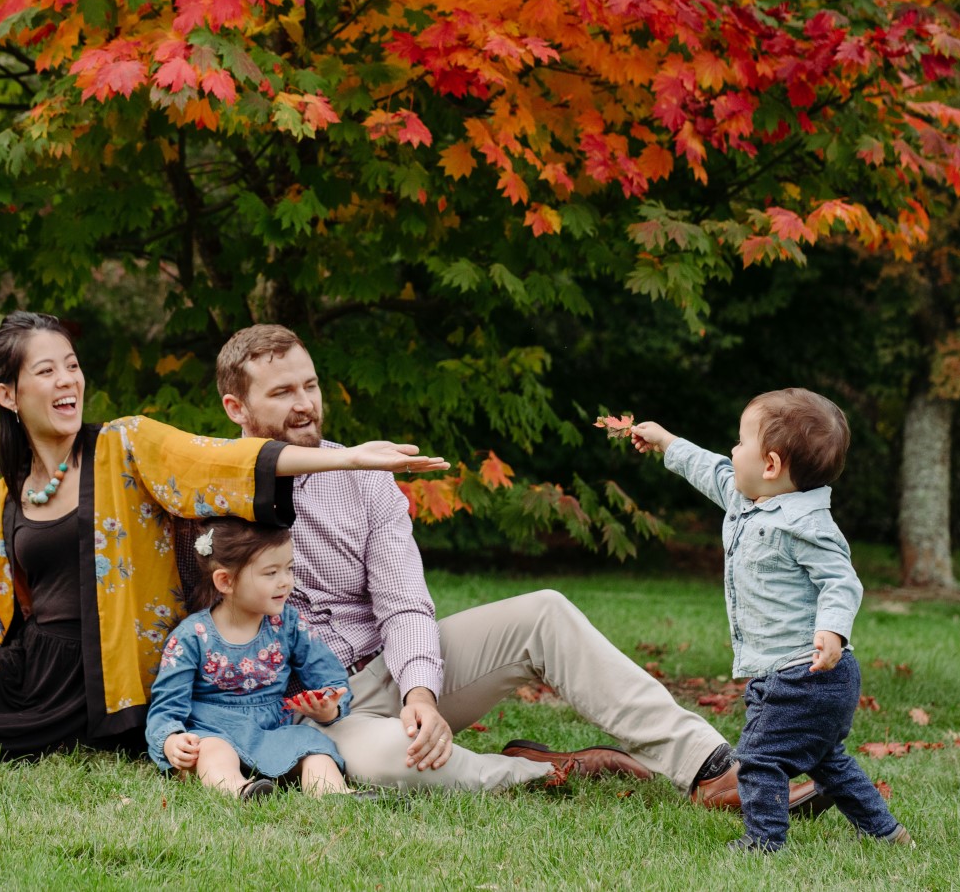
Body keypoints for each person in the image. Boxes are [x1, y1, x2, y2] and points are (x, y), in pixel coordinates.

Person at [210, 323, 818, 814]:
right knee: (392, 760)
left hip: (388, 670)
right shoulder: (202, 492)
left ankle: (713, 768)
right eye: (282, 393)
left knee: (543, 611)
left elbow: (404, 603)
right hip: (308, 711)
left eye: (310, 385)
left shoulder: (369, 473)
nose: (305, 405)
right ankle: (550, 769)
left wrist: (420, 691)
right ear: (236, 406)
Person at [0, 311, 447, 763]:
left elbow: (218, 462)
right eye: (46, 371)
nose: (66, 381)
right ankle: (33, 738)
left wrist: (348, 462)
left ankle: (85, 734)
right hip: (35, 669)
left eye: (72, 366)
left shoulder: (128, 446)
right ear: (9, 395)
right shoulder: (5, 497)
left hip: (117, 673)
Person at [630, 390, 911, 852]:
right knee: (827, 760)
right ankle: (885, 832)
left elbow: (842, 582)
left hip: (805, 675)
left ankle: (764, 841)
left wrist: (832, 629)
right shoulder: (747, 499)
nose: (732, 451)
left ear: (772, 465)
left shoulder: (807, 524)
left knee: (759, 760)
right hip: (793, 675)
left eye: (740, 442)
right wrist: (665, 441)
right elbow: (710, 469)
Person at [146, 519, 356, 798]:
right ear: (226, 581)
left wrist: (328, 707)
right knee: (212, 753)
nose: (286, 581)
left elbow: (331, 678)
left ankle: (333, 795)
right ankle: (241, 791)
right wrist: (172, 741)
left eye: (289, 568)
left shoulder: (289, 625)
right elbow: (165, 707)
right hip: (212, 731)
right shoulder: (192, 636)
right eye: (270, 573)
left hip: (272, 733)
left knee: (313, 746)